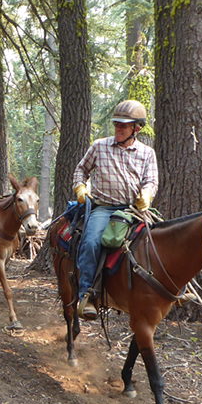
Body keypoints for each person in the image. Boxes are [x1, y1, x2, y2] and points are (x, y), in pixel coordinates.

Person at [73, 99, 159, 320]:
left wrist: (147, 195)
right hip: (104, 209)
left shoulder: (147, 153)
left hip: (133, 210)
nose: (118, 128)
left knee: (162, 238)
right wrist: (80, 187)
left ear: (136, 128)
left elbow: (151, 180)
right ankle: (87, 294)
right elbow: (81, 169)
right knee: (92, 242)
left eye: (124, 125)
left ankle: (167, 291)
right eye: (116, 124)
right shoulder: (99, 146)